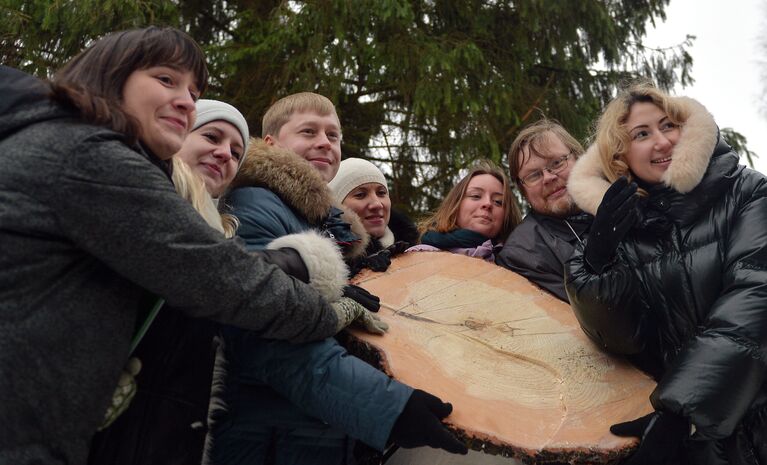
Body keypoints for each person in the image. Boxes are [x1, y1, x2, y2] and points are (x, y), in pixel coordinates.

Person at [0, 28, 348, 465]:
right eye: (167, 80)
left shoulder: (80, 148)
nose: (186, 100)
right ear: (110, 75)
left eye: (194, 89)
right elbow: (218, 277)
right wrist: (328, 313)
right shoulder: (90, 156)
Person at [204, 92, 467, 465]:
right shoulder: (256, 203)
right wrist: (386, 407)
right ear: (271, 142)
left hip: (318, 429)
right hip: (268, 436)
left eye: (333, 135)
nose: (324, 143)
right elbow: (264, 336)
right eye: (309, 132)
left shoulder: (320, 219)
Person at [564, 83, 767, 465]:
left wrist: (682, 408)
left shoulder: (746, 191)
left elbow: (755, 294)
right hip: (691, 443)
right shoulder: (623, 229)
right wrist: (596, 265)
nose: (662, 142)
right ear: (620, 154)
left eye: (669, 126)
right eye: (642, 134)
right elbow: (625, 340)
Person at [87, 99, 250, 465]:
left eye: (236, 152)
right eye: (211, 136)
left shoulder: (218, 233)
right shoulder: (143, 197)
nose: (224, 153)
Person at [495, 119, 591, 301]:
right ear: (524, 192)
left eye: (556, 163)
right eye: (533, 175)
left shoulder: (629, 199)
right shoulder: (521, 255)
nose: (548, 178)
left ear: (579, 158)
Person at [407, 160, 521, 261]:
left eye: (498, 201)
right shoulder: (416, 258)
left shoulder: (519, 263)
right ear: (456, 205)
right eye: (476, 196)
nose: (487, 203)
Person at [329, 157, 417, 276]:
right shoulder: (323, 262)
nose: (377, 204)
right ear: (337, 206)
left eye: (381, 193)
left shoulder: (419, 248)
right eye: (360, 195)